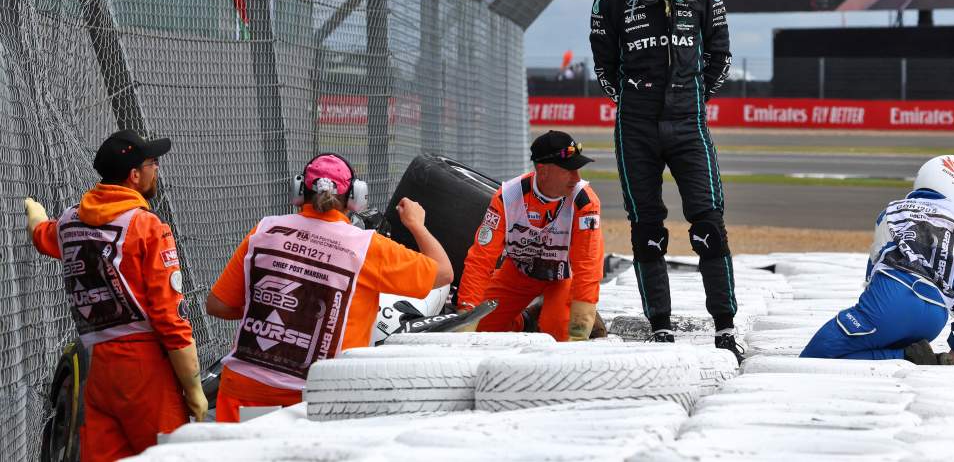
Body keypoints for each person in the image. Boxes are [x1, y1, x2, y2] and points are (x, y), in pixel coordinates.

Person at [589, 0, 742, 361]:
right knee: (647, 229)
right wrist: (640, 100)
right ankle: (660, 325)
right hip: (635, 128)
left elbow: (721, 57)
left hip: (689, 125)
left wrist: (689, 99)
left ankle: (725, 324)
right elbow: (605, 70)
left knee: (708, 225)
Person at [206, 153, 453, 422]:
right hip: (318, 399)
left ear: (300, 191)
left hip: (244, 389)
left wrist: (276, 311)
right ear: (355, 198)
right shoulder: (367, 248)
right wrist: (416, 224)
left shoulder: (265, 231)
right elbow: (443, 272)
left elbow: (218, 304)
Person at [25, 129, 206, 460]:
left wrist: (32, 211)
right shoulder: (147, 227)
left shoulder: (69, 222)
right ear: (134, 176)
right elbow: (169, 318)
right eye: (153, 163)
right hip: (144, 368)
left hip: (97, 368)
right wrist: (194, 390)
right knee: (172, 454)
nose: (157, 169)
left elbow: (42, 235)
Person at [801, 155, 954, 363]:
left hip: (889, 303)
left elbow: (872, 275)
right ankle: (913, 356)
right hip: (934, 319)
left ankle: (907, 357)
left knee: (813, 356)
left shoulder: (890, 212)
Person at [457, 131, 604, 342]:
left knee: (561, 334)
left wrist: (582, 319)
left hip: (563, 279)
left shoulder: (584, 202)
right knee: (480, 328)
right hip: (519, 273)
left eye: (577, 169)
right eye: (569, 170)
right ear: (543, 171)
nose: (577, 177)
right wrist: (466, 313)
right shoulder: (508, 197)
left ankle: (566, 315)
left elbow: (588, 265)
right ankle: (528, 320)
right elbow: (481, 259)